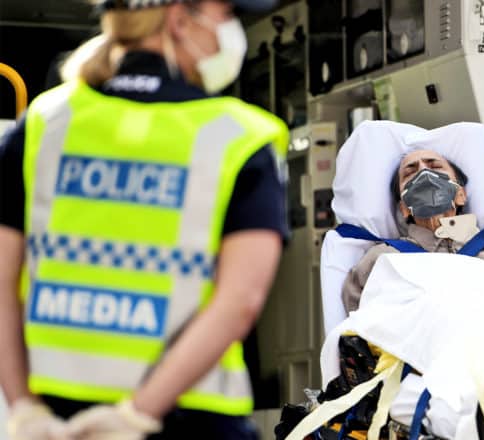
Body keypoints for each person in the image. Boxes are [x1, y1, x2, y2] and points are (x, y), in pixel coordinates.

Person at [0, 0, 287, 439]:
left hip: (55, 417)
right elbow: (240, 302)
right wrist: (134, 416)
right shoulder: (240, 138)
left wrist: (23, 409)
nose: (232, 27)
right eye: (226, 13)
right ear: (177, 19)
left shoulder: (44, 123)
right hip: (191, 419)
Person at [341, 149, 484, 313]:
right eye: (410, 173)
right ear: (404, 208)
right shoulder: (381, 260)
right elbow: (361, 329)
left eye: (435, 166)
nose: (423, 173)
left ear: (460, 195)